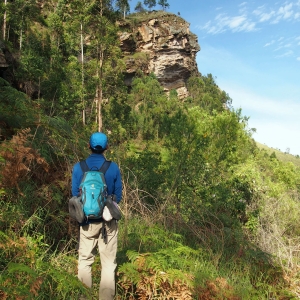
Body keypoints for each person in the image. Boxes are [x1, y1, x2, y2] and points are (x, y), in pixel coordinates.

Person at [71, 132, 122, 300]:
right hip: (108, 223)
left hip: (86, 222)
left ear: (89, 146)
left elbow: (74, 195)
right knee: (108, 264)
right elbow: (118, 197)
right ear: (106, 147)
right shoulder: (113, 167)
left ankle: (84, 297)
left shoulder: (79, 167)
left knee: (85, 262)